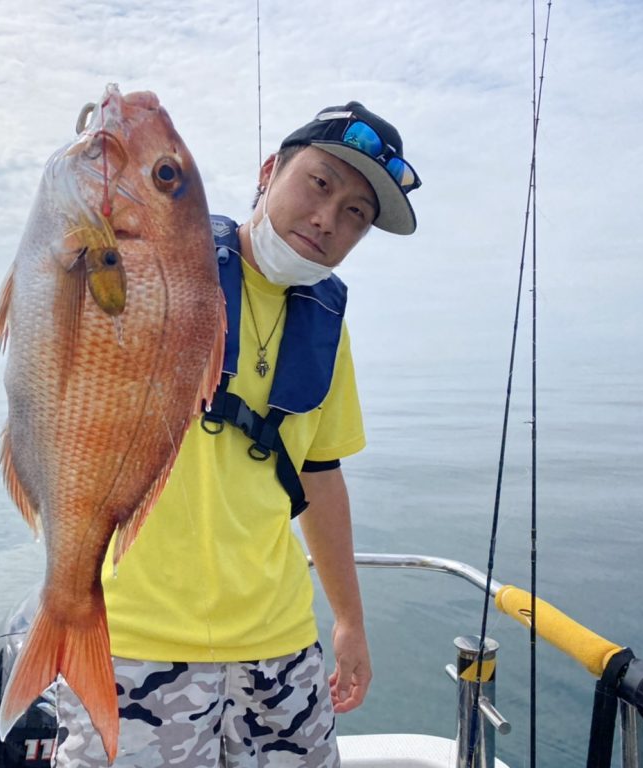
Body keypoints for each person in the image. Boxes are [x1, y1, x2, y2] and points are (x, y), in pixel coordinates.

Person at [54, 101, 421, 767]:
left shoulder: (325, 326)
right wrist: (108, 148)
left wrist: (349, 620)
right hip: (134, 640)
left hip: (281, 646)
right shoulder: (158, 263)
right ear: (269, 170)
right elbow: (73, 290)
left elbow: (320, 476)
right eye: (319, 183)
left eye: (355, 214)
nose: (328, 218)